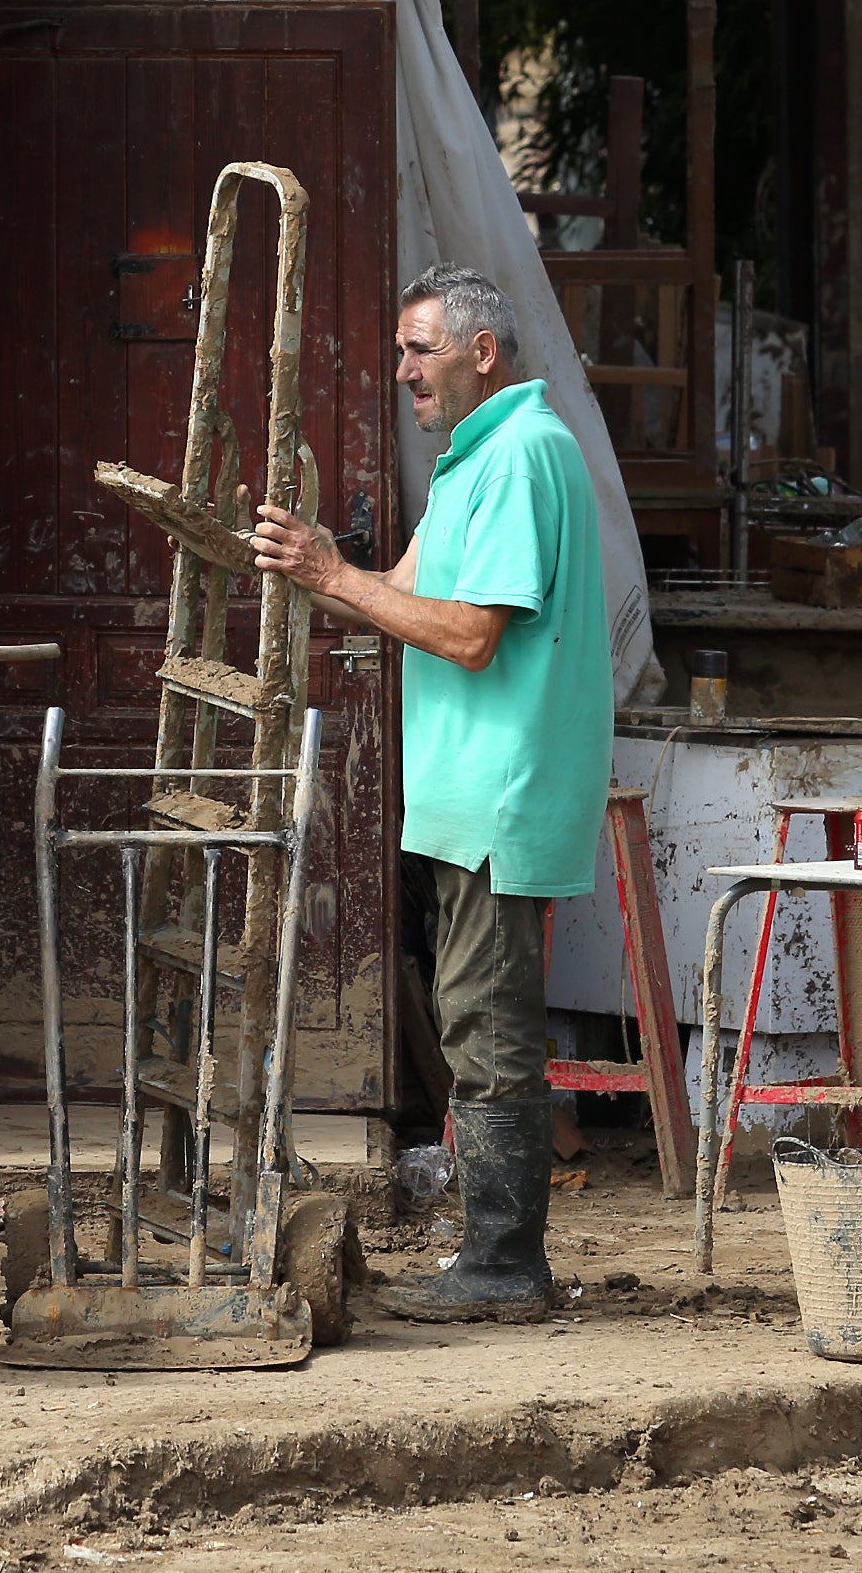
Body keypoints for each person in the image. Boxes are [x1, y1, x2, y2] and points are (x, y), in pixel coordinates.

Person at [248, 262, 607, 1323]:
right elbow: (409, 587)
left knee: (489, 1028)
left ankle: (505, 1266)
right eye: (401, 349)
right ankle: (493, 1257)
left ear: (480, 352)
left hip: (505, 791)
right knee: (468, 1017)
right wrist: (306, 560)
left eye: (418, 347)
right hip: (469, 795)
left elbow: (468, 631)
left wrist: (328, 576)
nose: (399, 368)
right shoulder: (471, 460)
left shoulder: (524, 453)